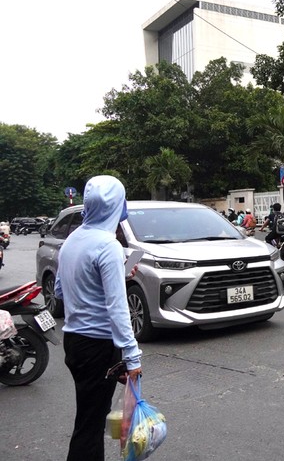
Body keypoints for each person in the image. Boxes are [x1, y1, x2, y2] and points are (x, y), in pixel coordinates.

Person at [54, 175, 142, 461]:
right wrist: (132, 356)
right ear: (117, 205)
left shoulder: (72, 240)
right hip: (98, 347)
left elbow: (60, 289)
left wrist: (115, 276)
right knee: (90, 427)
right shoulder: (108, 245)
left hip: (75, 342)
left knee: (89, 418)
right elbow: (118, 308)